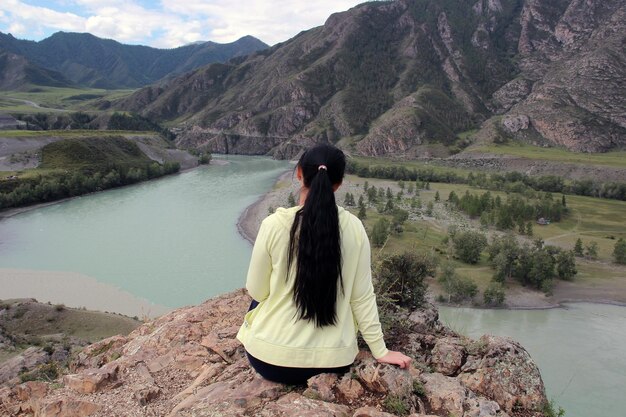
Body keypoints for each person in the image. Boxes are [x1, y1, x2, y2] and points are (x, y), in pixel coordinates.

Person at [236, 144, 411, 385]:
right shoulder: (355, 228)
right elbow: (362, 297)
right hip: (333, 363)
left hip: (269, 362)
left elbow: (257, 291)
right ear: (338, 183)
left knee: (259, 299)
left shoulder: (273, 225)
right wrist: (380, 351)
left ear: (298, 174)